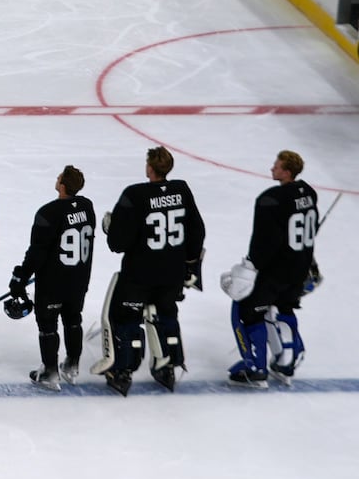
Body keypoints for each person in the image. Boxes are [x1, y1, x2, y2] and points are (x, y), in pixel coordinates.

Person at [95, 146, 205, 395]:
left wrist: (111, 227)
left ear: (150, 168)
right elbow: (197, 230)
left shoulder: (135, 195)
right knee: (166, 314)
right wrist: (190, 265)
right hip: (172, 274)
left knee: (125, 318)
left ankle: (122, 371)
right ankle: (167, 367)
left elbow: (117, 244)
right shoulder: (181, 190)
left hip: (140, 274)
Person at [224, 151, 318, 388]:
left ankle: (255, 368)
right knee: (285, 307)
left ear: (287, 172)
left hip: (276, 272)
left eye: (276, 166)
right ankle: (287, 361)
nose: (272, 169)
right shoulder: (309, 192)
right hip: (300, 268)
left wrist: (251, 265)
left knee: (248, 311)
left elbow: (265, 241)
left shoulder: (270, 199)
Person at [7, 165, 95, 391]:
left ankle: (50, 371)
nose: (56, 179)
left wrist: (20, 277)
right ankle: (72, 366)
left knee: (48, 325)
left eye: (59, 177)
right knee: (73, 319)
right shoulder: (87, 207)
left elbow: (37, 251)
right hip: (79, 278)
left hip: (54, 282)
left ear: (63, 185)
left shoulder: (48, 212)